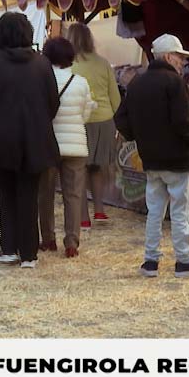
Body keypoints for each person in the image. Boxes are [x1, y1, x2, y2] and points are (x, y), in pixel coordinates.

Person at [114, 34, 189, 278]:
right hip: (175, 157)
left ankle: (150, 261)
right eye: (179, 57)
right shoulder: (174, 82)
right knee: (180, 210)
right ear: (168, 56)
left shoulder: (137, 82)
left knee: (155, 209)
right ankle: (183, 260)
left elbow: (121, 119)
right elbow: (181, 122)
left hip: (150, 157)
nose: (182, 62)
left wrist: (137, 137)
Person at [0, 12, 60, 269]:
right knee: (30, 193)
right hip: (36, 137)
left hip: (1, 136)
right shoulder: (42, 63)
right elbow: (53, 102)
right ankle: (29, 253)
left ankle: (9, 247)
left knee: (6, 192)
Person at [38, 37, 95, 257]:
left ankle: (48, 238)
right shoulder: (80, 82)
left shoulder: (43, 80)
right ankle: (72, 242)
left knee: (45, 194)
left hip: (48, 145)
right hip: (76, 145)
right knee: (73, 195)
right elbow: (86, 113)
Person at [69, 22, 121, 228]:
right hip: (104, 120)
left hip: (78, 121)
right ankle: (99, 210)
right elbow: (114, 97)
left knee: (79, 170)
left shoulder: (69, 64)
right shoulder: (103, 63)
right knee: (97, 168)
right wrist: (116, 121)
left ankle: (83, 217)